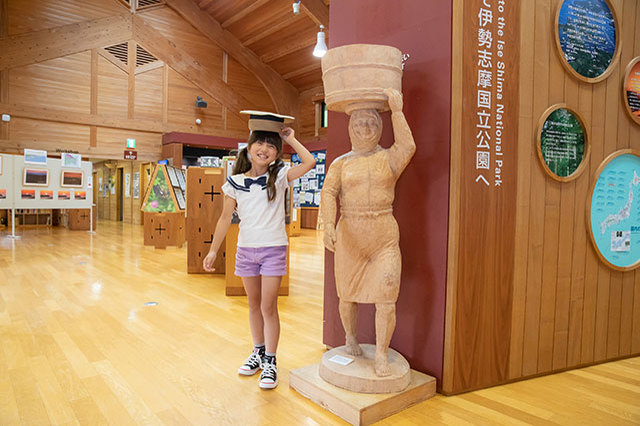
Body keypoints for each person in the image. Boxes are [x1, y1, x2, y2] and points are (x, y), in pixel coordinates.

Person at [203, 111, 316, 390]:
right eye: (260, 143)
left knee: (268, 306)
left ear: (277, 154)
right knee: (253, 305)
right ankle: (258, 351)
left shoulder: (279, 177)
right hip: (245, 251)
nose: (264, 149)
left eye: (271, 146)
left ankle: (271, 361)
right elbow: (224, 218)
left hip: (273, 250)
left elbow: (311, 162)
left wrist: (291, 139)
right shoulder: (234, 182)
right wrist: (213, 251)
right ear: (249, 147)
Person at [321, 88, 415, 376]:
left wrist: (397, 111)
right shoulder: (341, 164)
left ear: (380, 127)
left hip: (383, 236)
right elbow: (328, 192)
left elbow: (408, 146)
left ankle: (382, 355)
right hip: (350, 234)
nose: (366, 127)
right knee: (346, 295)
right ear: (351, 127)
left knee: (387, 296)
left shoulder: (388, 159)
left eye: (373, 122)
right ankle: (350, 338)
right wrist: (326, 224)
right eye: (360, 122)